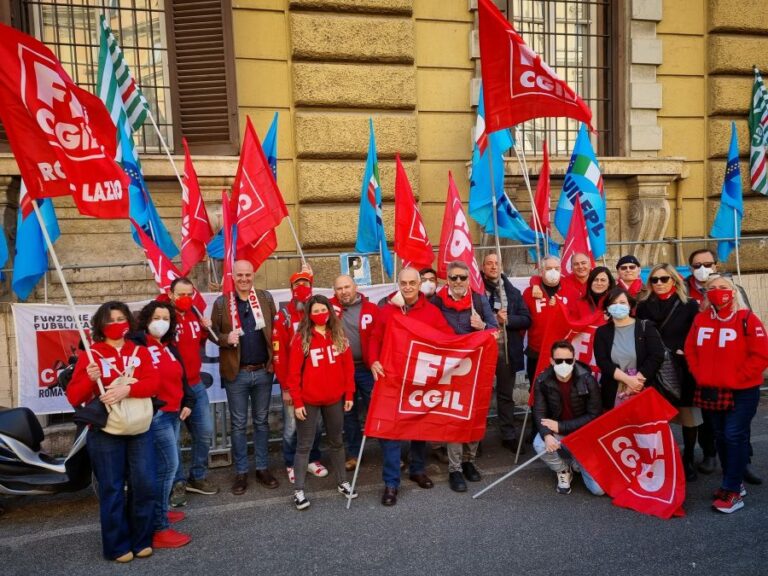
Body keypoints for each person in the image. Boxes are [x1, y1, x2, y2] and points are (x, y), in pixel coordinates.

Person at [66, 301, 159, 563]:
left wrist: (128, 389)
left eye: (121, 318)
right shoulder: (91, 354)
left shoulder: (139, 351)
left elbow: (154, 383)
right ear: (100, 325)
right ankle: (117, 545)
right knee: (112, 488)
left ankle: (142, 539)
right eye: (111, 319)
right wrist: (86, 375)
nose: (117, 323)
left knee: (145, 484)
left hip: (139, 426)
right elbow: (74, 395)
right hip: (106, 430)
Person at [369, 267, 453, 506]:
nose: (407, 287)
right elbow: (374, 338)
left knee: (419, 427)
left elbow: (447, 339)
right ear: (399, 284)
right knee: (391, 432)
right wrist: (373, 360)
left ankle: (417, 469)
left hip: (419, 381)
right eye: (403, 283)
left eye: (411, 283)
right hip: (392, 380)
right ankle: (391, 482)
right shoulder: (387, 311)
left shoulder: (433, 312)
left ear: (419, 284)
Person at [684, 274, 768, 513]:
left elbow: (761, 354)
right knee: (720, 435)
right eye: (711, 288)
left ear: (732, 292)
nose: (717, 291)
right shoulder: (701, 319)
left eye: (722, 287)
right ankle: (733, 482)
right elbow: (690, 349)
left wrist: (735, 378)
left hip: (742, 391)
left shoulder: (747, 319)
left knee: (733, 435)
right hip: (711, 389)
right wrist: (700, 374)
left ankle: (732, 489)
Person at [685, 248, 758, 482]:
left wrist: (742, 376)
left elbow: (756, 344)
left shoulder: (737, 295)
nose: (702, 268)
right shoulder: (685, 291)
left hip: (738, 378)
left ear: (716, 264)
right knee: (713, 424)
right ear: (690, 268)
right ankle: (711, 456)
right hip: (706, 374)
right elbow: (689, 342)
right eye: (697, 265)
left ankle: (741, 467)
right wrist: (698, 371)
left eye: (707, 263)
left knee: (736, 429)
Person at [210, 259, 278, 495]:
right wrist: (224, 338)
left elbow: (275, 328)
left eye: (248, 275)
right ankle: (241, 472)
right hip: (236, 373)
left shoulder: (265, 298)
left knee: (261, 422)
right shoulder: (221, 303)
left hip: (262, 371)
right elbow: (212, 334)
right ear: (233, 276)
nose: (244, 279)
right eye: (240, 275)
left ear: (253, 275)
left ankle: (262, 468)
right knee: (238, 425)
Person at [430, 261, 498, 492]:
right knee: (454, 419)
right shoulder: (437, 302)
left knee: (475, 416)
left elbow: (495, 330)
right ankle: (455, 468)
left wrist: (482, 327)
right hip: (450, 371)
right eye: (454, 278)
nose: (458, 281)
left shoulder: (478, 300)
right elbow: (426, 330)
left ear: (469, 279)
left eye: (462, 277)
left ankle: (470, 460)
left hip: (476, 369)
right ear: (447, 280)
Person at [287, 295, 358, 510]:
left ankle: (342, 482)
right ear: (309, 315)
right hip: (308, 400)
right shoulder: (302, 339)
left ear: (330, 312)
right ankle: (298, 490)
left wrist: (349, 394)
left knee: (336, 442)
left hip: (334, 399)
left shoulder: (338, 334)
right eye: (316, 311)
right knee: (304, 445)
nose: (320, 315)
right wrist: (297, 402)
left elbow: (348, 367)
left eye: (323, 310)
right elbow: (293, 374)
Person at [133, 301, 193, 548]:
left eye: (166, 318)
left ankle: (161, 510)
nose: (161, 322)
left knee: (165, 466)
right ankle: (158, 528)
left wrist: (186, 400)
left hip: (173, 412)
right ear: (147, 319)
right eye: (157, 317)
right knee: (169, 466)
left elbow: (181, 375)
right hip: (156, 415)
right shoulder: (138, 344)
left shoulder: (168, 346)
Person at [635, 264, 701, 480]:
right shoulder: (643, 307)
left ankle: (688, 458)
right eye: (655, 280)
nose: (660, 283)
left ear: (674, 280)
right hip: (654, 367)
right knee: (658, 417)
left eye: (664, 279)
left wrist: (686, 350)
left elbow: (697, 334)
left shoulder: (689, 305)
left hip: (683, 366)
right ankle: (665, 459)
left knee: (688, 416)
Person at [164, 278, 219, 508]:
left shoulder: (194, 314)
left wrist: (206, 328)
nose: (186, 298)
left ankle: (197, 475)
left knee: (205, 431)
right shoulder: (164, 318)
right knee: (173, 439)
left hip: (195, 385)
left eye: (189, 293)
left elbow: (198, 341)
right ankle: (176, 482)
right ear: (170, 294)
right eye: (181, 294)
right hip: (172, 388)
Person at [272, 268, 327, 483]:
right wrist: (286, 387)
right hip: (293, 384)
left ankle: (313, 459)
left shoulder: (319, 313)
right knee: (291, 427)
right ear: (291, 289)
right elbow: (279, 354)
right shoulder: (284, 315)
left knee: (317, 424)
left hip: (316, 383)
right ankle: (291, 462)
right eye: (297, 285)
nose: (301, 289)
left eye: (305, 284)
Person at [533, 340, 603, 495]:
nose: (564, 364)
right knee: (539, 444)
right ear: (551, 361)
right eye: (559, 361)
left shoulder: (587, 380)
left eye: (568, 360)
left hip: (584, 435)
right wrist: (547, 435)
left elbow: (595, 415)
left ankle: (577, 462)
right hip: (558, 430)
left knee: (598, 490)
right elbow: (539, 412)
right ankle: (564, 469)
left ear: (574, 359)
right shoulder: (542, 381)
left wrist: (561, 427)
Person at [481, 252, 531, 452]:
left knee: (505, 396)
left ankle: (508, 435)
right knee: (479, 397)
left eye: (496, 263)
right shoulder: (475, 290)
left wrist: (507, 320)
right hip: (482, 351)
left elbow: (527, 319)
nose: (493, 267)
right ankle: (475, 439)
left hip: (506, 351)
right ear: (483, 267)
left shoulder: (512, 292)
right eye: (489, 263)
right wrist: (490, 321)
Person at [330, 274, 378, 471]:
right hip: (342, 371)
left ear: (355, 287)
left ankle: (390, 452)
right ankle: (354, 454)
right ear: (335, 291)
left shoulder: (371, 309)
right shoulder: (329, 310)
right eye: (340, 288)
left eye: (347, 287)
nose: (344, 291)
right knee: (348, 414)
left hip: (367, 369)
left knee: (376, 411)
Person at [594, 287, 665, 410]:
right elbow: (602, 361)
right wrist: (627, 380)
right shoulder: (602, 332)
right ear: (608, 308)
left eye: (622, 303)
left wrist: (636, 382)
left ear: (630, 305)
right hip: (613, 389)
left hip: (643, 386)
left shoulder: (645, 327)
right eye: (613, 303)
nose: (618, 306)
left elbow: (656, 355)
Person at [522, 256, 571, 386]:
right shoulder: (529, 293)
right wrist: (535, 283)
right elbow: (523, 319)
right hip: (537, 351)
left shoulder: (570, 290)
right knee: (537, 388)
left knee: (564, 389)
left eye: (556, 268)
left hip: (565, 352)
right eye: (549, 268)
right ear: (541, 271)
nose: (553, 271)